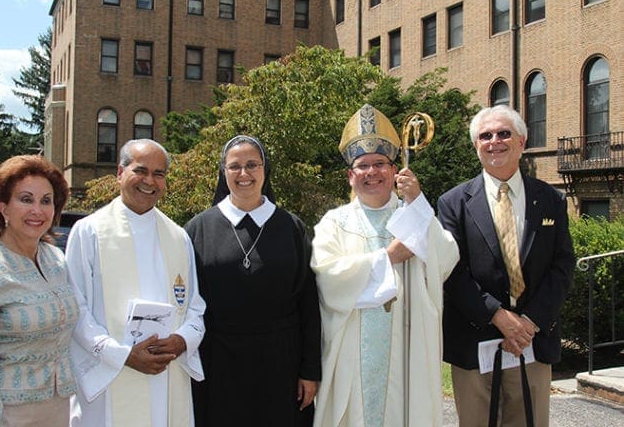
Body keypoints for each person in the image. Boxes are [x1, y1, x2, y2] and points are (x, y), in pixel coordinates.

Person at [311, 104, 459, 427]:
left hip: (407, 360)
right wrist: (388, 257)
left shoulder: (412, 215)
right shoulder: (333, 223)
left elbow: (446, 258)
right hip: (353, 359)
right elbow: (328, 279)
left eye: (380, 164)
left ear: (394, 171)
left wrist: (418, 203)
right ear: (351, 176)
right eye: (362, 166)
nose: (372, 172)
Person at [437, 105, 575, 426]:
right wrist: (498, 317)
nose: (494, 141)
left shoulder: (551, 199)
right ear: (476, 145)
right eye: (485, 136)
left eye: (503, 133)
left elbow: (562, 264)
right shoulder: (452, 203)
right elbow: (451, 271)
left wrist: (528, 322)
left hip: (532, 340)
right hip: (475, 344)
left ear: (522, 142)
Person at [66, 139, 205, 426]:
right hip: (111, 375)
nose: (149, 181)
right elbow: (75, 308)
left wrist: (182, 341)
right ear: (120, 172)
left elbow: (195, 307)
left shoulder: (178, 237)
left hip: (166, 374)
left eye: (159, 174)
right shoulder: (89, 231)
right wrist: (122, 355)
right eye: (141, 170)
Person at [184, 135, 321, 426]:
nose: (243, 174)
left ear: (264, 170)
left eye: (252, 165)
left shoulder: (292, 227)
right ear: (223, 172)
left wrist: (310, 370)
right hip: (217, 363)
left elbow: (308, 304)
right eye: (234, 166)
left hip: (280, 363)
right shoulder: (198, 229)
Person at [0, 155, 78, 426]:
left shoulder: (56, 260)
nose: (37, 210)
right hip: (8, 413)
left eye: (46, 200)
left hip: (59, 407)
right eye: (26, 199)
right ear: (3, 208)